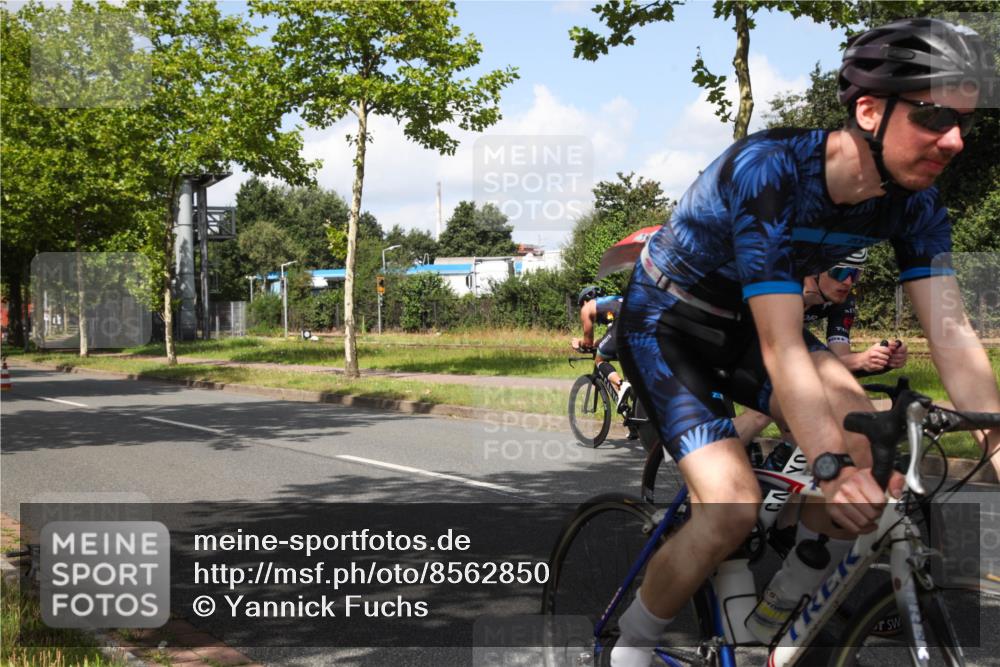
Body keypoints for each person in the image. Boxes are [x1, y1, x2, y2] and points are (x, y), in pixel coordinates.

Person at [611, 18, 999, 665]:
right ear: (869, 110)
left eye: (964, 120)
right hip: (670, 323)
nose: (955, 139)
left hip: (749, 326)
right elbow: (783, 345)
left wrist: (995, 438)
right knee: (732, 508)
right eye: (933, 116)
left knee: (869, 448)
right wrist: (826, 464)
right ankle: (632, 646)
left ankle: (768, 623)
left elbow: (954, 336)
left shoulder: (917, 205)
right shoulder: (771, 171)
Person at [735, 248, 909, 443]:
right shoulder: (788, 284)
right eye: (840, 272)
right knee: (764, 412)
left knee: (808, 411)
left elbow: (838, 363)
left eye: (855, 274)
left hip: (775, 349)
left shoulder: (842, 301)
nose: (847, 282)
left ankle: (786, 459)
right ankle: (709, 462)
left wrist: (876, 360)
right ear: (814, 271)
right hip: (738, 342)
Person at [571, 285, 632, 412]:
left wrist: (579, 343)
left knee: (600, 359)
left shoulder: (587, 308)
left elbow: (587, 343)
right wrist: (597, 343)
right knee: (629, 371)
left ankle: (621, 384)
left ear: (585, 301)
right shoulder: (611, 301)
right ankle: (635, 424)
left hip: (621, 326)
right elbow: (608, 337)